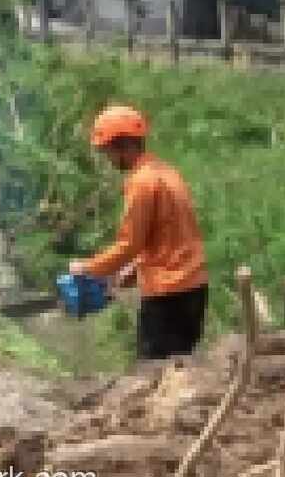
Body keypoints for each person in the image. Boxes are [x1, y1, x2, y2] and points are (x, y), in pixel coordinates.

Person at [68, 105, 209, 362]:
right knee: (183, 369)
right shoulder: (167, 172)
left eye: (107, 152)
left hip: (168, 293)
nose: (108, 160)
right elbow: (169, 234)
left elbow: (129, 243)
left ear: (120, 146)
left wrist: (88, 268)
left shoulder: (141, 182)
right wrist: (134, 267)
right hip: (194, 285)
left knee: (154, 374)